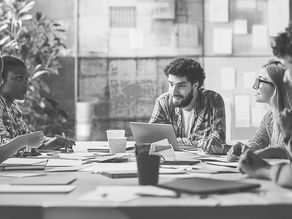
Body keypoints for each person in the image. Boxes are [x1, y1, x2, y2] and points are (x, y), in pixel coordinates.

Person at [238, 23, 292, 188]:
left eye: (289, 66)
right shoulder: (272, 116)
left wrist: (264, 170)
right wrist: (242, 148)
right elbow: (258, 142)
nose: (288, 77)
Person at [149, 57, 226, 154]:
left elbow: (218, 138)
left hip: (203, 164)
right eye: (171, 84)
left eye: (181, 86)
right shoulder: (163, 102)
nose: (174, 92)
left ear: (195, 85)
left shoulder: (212, 100)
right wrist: (196, 143)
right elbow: (151, 137)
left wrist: (177, 142)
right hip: (171, 163)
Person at [0, 55, 74, 154]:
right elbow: (5, 147)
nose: (25, 83)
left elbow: (26, 137)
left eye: (26, 79)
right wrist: (43, 148)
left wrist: (50, 141)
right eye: (18, 78)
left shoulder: (13, 106)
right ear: (2, 80)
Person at [227, 60, 292, 161]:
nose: (254, 86)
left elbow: (286, 150)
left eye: (259, 81)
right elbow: (259, 141)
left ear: (276, 86)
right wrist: (245, 148)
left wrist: (261, 153)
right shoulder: (269, 116)